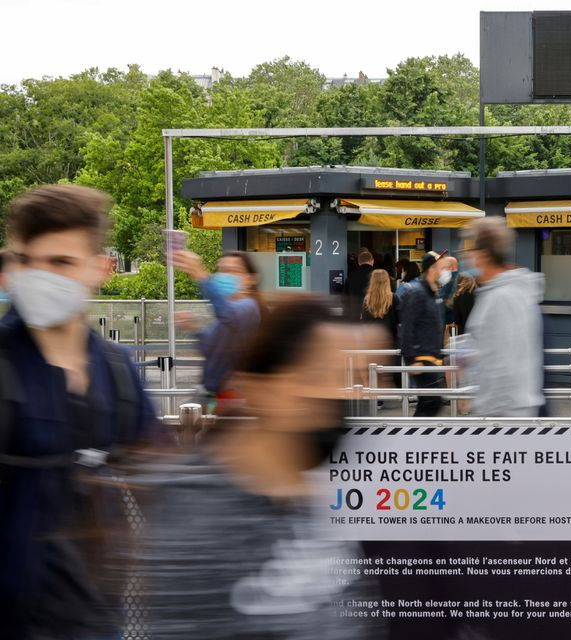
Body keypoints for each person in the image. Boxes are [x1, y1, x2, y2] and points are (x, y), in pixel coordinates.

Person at [135, 296, 382, 640]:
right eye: (317, 375)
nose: (334, 395)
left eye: (347, 377)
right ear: (262, 386)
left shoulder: (319, 495)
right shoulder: (196, 506)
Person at [0, 184, 158, 639]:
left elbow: (158, 476)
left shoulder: (117, 371)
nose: (41, 276)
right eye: (30, 262)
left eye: (61, 263)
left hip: (91, 620)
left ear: (99, 269)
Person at [464, 218, 544, 417]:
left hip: (503, 416)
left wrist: (491, 416)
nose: (466, 259)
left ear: (483, 256)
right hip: (502, 413)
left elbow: (505, 364)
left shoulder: (502, 297)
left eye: (468, 252)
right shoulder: (498, 293)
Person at [173, 249, 262, 413]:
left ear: (251, 279)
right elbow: (208, 349)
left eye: (232, 271)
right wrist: (194, 328)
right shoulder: (230, 310)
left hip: (232, 402)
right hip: (213, 399)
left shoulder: (248, 307)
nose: (224, 275)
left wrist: (200, 275)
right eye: (221, 270)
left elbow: (228, 315)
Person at [398, 251, 447, 417]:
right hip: (422, 360)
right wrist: (411, 359)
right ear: (432, 269)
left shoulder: (432, 294)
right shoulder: (417, 293)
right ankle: (412, 440)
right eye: (441, 267)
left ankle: (419, 440)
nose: (444, 271)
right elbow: (407, 327)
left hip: (432, 359)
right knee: (430, 403)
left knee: (431, 404)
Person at [360, 268, 400, 341]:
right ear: (387, 281)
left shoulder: (367, 299)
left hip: (371, 340)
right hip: (390, 340)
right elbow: (399, 319)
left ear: (372, 281)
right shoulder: (394, 298)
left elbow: (364, 320)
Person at [346, 250, 375, 318]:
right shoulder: (378, 276)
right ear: (373, 261)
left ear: (359, 263)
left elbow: (345, 297)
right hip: (374, 316)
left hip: (355, 315)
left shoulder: (351, 276)